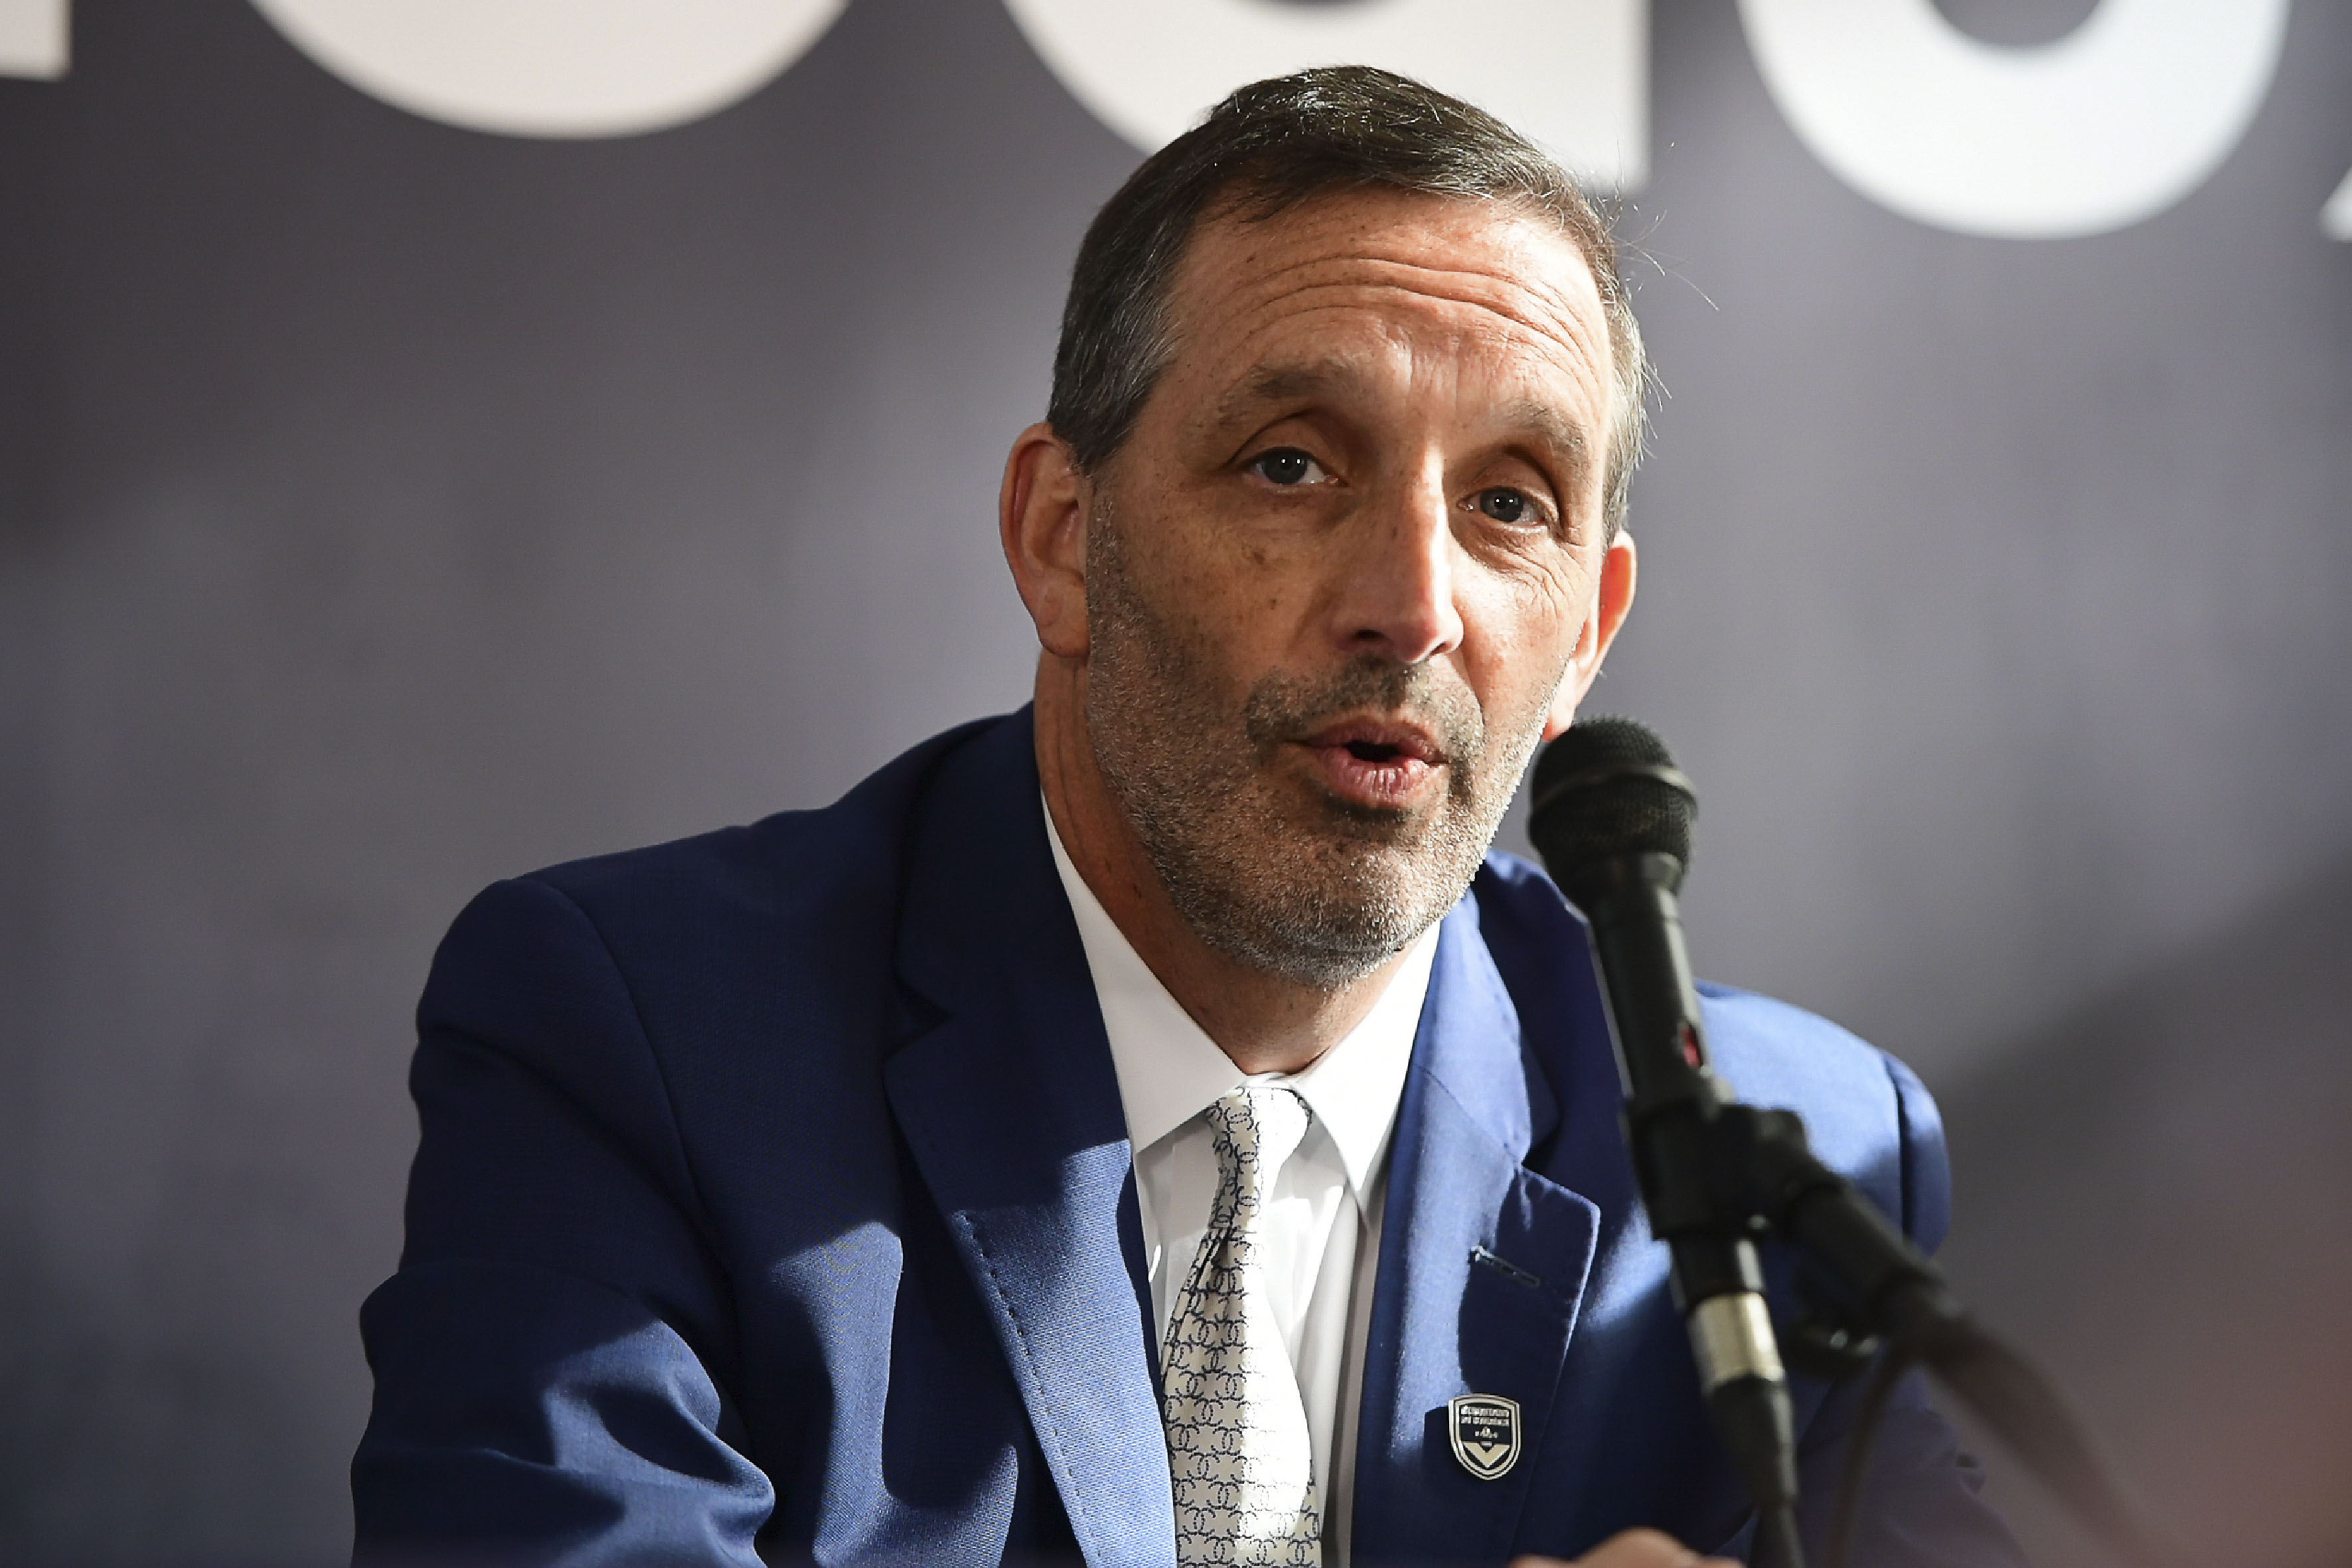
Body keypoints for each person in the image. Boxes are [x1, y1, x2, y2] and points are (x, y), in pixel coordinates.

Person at [351, 67, 2022, 1568]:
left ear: (1586, 628)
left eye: (1509, 502)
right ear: (1062, 536)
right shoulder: (640, 1042)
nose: (1410, 603)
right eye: (1292, 464)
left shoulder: (1780, 1159)